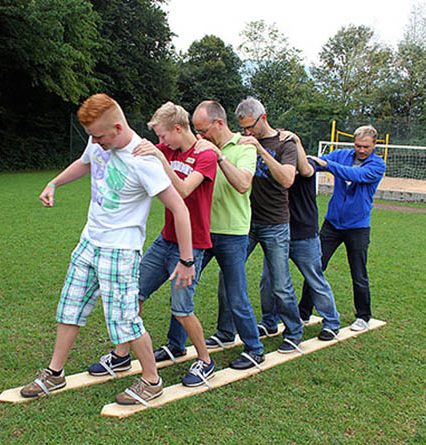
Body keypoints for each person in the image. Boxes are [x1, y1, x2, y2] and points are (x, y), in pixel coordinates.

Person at [20, 93, 196, 406]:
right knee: (69, 307)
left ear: (117, 128)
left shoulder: (144, 158)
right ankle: (54, 373)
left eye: (98, 136)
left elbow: (179, 209)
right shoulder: (99, 141)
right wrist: (54, 183)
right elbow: (84, 163)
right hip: (89, 241)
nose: (94, 142)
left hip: (121, 251)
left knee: (125, 320)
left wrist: (186, 260)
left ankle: (151, 380)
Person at [87, 101, 218, 387]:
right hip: (164, 240)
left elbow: (183, 191)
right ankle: (122, 354)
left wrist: (159, 159)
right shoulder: (165, 150)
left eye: (162, 136)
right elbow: (128, 152)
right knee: (135, 295)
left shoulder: (204, 155)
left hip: (192, 245)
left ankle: (206, 360)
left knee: (182, 309)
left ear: (178, 128)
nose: (160, 143)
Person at [167, 99, 266, 370]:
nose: (199, 136)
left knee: (236, 294)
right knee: (182, 286)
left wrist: (219, 156)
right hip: (202, 232)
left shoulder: (243, 147)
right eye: (196, 131)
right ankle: (175, 344)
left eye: (203, 130)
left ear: (219, 123)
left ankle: (254, 349)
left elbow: (244, 185)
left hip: (232, 233)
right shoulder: (199, 146)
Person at [233, 97, 303, 354]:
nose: (247, 132)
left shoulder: (285, 143)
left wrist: (260, 149)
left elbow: (287, 179)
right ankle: (266, 323)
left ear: (264, 117)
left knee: (279, 283)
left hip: (275, 224)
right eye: (243, 128)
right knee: (232, 275)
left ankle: (294, 331)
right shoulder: (243, 140)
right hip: (248, 223)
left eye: (250, 126)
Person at [257, 131, 341, 341]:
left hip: (303, 233)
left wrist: (296, 141)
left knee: (314, 278)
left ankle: (331, 322)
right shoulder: (271, 162)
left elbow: (305, 169)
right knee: (268, 281)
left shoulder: (305, 162)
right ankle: (269, 322)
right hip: (275, 232)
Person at [303, 125, 386, 332]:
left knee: (358, 274)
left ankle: (363, 316)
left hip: (358, 227)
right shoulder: (341, 155)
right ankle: (303, 312)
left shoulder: (377, 164)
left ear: (374, 144)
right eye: (357, 145)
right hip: (332, 224)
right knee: (315, 267)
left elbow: (355, 175)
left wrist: (327, 164)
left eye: (366, 146)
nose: (361, 150)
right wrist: (303, 159)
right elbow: (317, 166)